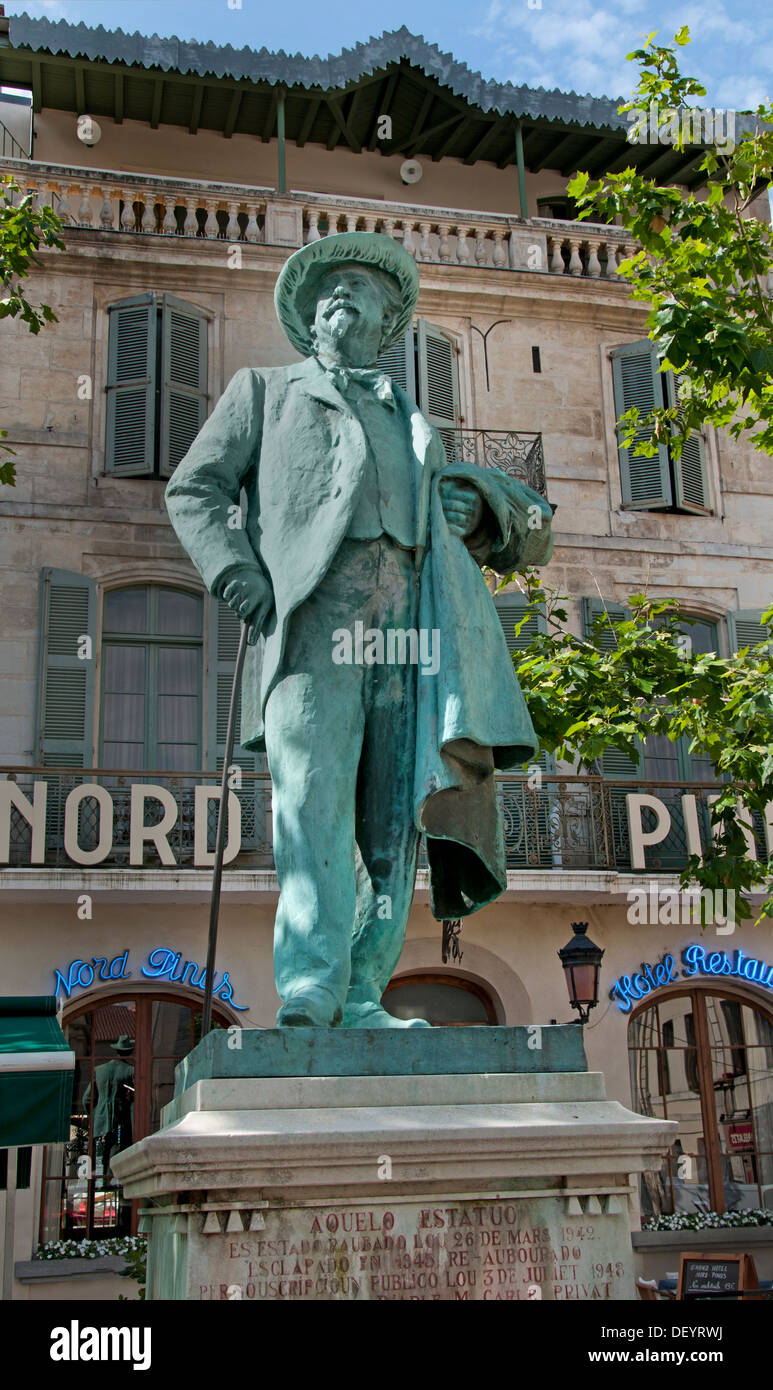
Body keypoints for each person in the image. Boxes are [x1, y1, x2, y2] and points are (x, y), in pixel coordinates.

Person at [166, 232, 553, 1027]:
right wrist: (238, 574)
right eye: (328, 292)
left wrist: (472, 508)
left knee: (395, 814)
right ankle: (310, 983)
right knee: (310, 802)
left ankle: (363, 991)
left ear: (388, 321)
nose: (340, 297)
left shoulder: (415, 421)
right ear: (310, 320)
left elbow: (503, 527)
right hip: (312, 621)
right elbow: (194, 488)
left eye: (359, 290)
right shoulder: (263, 391)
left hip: (411, 629)